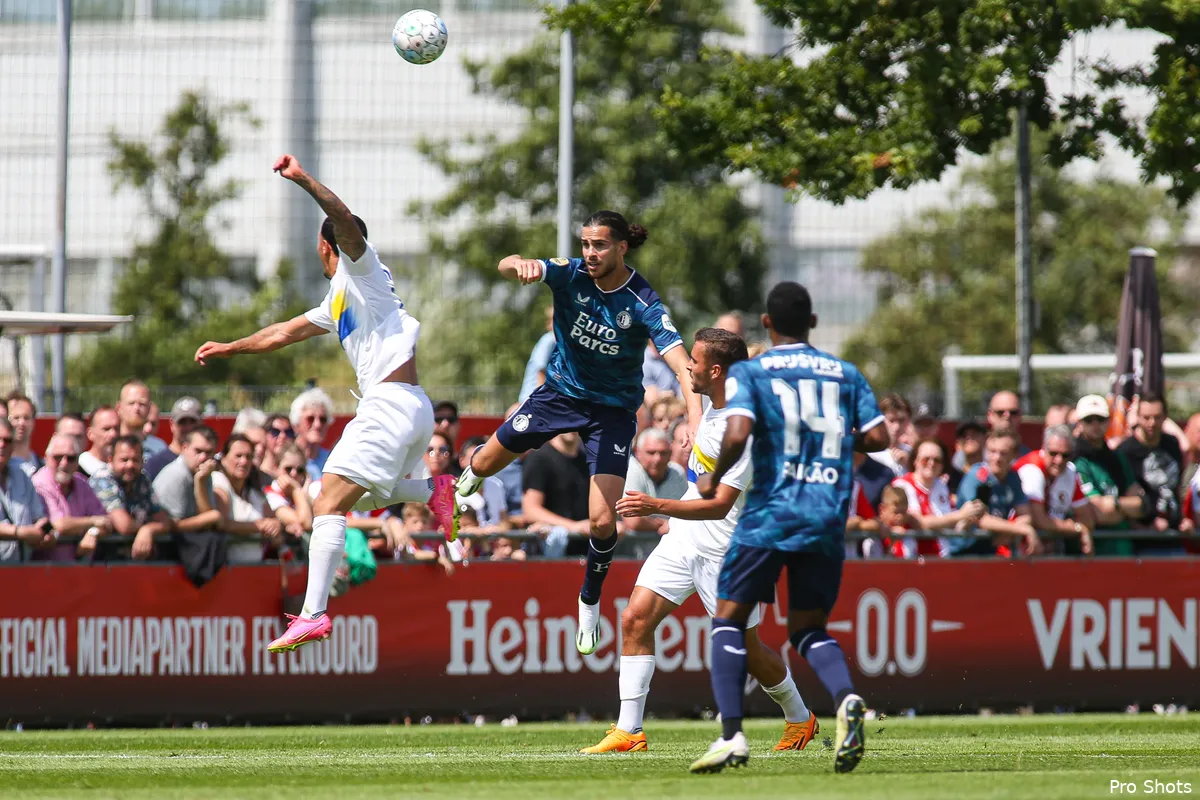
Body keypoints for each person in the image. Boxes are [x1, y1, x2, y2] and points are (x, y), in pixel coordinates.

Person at [194, 153, 457, 653]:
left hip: (390, 405)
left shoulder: (364, 271)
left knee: (325, 501)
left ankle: (313, 614)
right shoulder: (338, 298)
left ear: (324, 245)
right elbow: (281, 333)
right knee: (369, 498)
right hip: (409, 407)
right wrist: (231, 346)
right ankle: (435, 492)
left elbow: (342, 219)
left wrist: (302, 180)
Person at [455, 210, 701, 655]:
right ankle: (456, 490)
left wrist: (696, 421)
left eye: (600, 245)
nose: (590, 253)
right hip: (560, 397)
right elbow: (505, 262)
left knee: (605, 520)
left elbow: (683, 366)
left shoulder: (644, 302)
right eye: (586, 244)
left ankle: (589, 599)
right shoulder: (569, 274)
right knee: (482, 464)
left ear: (622, 247)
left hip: (610, 413)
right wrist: (521, 266)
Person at [688, 282, 889, 775]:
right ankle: (845, 700)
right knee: (808, 629)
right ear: (813, 323)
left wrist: (714, 471)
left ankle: (732, 735)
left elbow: (737, 433)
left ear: (768, 324)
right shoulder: (845, 373)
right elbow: (881, 436)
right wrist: (838, 431)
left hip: (771, 514)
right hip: (824, 513)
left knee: (729, 621)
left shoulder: (754, 373)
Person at [587, 328, 815, 755]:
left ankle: (800, 718)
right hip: (685, 540)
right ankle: (629, 731)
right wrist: (662, 328)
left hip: (727, 553)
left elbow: (720, 505)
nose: (687, 366)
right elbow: (694, 407)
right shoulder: (713, 401)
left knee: (748, 650)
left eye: (694, 361)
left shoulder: (744, 428)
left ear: (715, 370)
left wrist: (655, 505)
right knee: (635, 618)